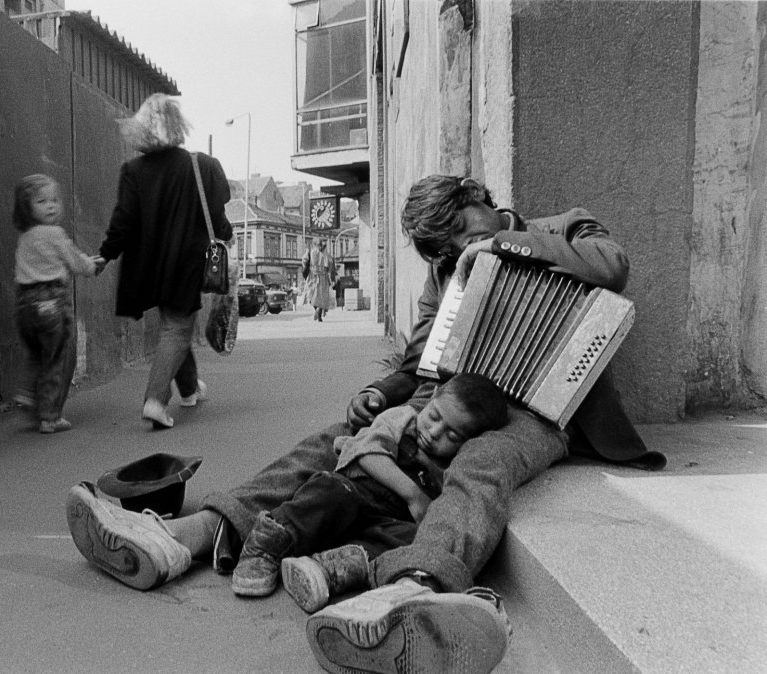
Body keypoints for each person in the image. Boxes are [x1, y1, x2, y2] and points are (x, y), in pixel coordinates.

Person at [66, 174, 666, 673]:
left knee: (483, 463)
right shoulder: (446, 275)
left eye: (462, 228)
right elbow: (423, 359)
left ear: (477, 196)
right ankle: (187, 536)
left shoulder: (564, 227)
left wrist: (505, 246)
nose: (461, 246)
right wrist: (381, 393)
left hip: (534, 410)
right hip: (450, 398)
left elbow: (612, 265)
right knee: (333, 440)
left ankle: (413, 590)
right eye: (445, 247)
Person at [230, 373, 508, 608]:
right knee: (329, 491)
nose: (435, 432)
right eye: (434, 416)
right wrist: (413, 495)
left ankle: (331, 567)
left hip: (384, 522)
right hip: (355, 493)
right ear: (432, 396)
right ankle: (268, 543)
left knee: (413, 537)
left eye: (452, 435)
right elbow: (366, 451)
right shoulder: (402, 418)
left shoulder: (453, 465)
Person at [92, 94, 233, 430]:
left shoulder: (132, 171)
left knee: (175, 324)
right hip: (185, 262)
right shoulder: (200, 165)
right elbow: (217, 216)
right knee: (178, 328)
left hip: (147, 267)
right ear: (177, 125)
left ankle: (189, 389)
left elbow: (122, 222)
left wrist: (106, 254)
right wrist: (226, 237)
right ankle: (155, 400)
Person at [12, 174, 99, 434]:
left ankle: (27, 394)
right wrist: (92, 266)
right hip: (52, 302)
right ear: (27, 207)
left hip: (25, 305)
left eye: (54, 200)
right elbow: (76, 262)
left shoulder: (25, 237)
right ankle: (50, 416)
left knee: (36, 353)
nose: (50, 205)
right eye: (42, 201)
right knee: (57, 358)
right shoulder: (55, 233)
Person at [303, 239, 335, 321]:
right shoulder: (326, 254)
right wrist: (331, 277)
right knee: (321, 297)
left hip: (312, 276)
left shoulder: (311, 252)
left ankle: (316, 310)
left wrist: (305, 272)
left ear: (314, 244)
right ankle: (319, 314)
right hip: (323, 277)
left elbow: (305, 261)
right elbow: (331, 264)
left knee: (311, 295)